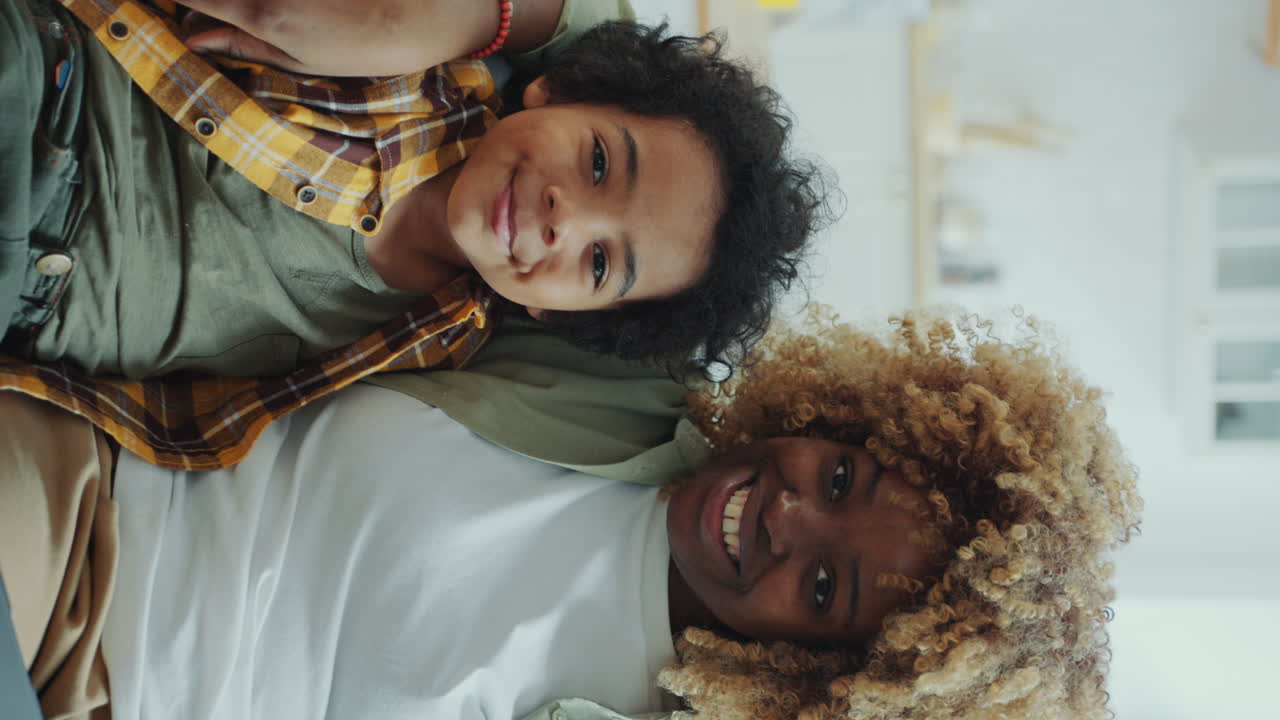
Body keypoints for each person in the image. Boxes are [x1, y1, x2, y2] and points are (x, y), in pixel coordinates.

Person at [0, 309, 1141, 719]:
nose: (788, 515)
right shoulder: (624, 372)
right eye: (842, 479)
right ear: (854, 418)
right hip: (81, 507)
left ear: (827, 678)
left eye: (824, 586)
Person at [0, 0, 827, 470]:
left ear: (562, 316)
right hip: (46, 97)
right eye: (601, 162)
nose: (565, 216)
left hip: (30, 306)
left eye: (602, 262)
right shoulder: (415, 65)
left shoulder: (434, 349)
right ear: (557, 92)